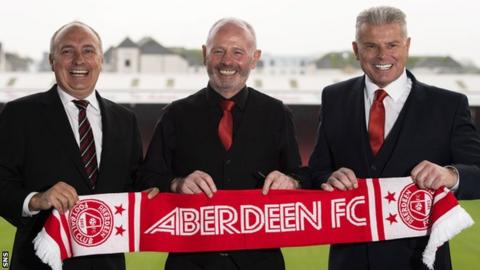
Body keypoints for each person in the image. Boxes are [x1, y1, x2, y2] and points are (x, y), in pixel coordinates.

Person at [308, 6, 480, 270]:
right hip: (349, 261)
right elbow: (318, 169)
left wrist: (450, 175)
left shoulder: (448, 105)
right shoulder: (334, 98)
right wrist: (328, 178)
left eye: (392, 45)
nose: (382, 55)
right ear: (356, 50)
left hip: (419, 262)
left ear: (407, 46)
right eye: (371, 46)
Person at [139, 18, 304, 270]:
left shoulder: (277, 114)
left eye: (238, 52)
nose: (227, 61)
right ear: (205, 54)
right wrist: (177, 183)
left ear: (254, 57)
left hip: (261, 262)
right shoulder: (175, 114)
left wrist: (292, 182)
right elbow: (145, 178)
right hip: (189, 262)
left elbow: (301, 175)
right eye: (218, 51)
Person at [0, 21, 153, 270]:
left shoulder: (126, 120)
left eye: (89, 51)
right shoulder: (20, 114)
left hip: (107, 265)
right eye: (67, 51)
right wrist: (36, 199)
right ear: (52, 61)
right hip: (38, 263)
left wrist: (157, 191)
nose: (79, 60)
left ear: (101, 60)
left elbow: (135, 186)